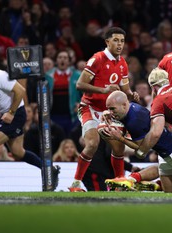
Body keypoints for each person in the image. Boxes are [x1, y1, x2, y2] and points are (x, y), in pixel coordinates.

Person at [0, 53, 60, 192]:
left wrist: (11, 112)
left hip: (16, 114)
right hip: (7, 115)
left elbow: (20, 91)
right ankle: (50, 170)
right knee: (18, 152)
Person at [68, 27, 139, 192]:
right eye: (115, 40)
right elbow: (80, 84)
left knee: (118, 146)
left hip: (109, 112)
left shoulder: (122, 63)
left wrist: (131, 94)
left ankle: (119, 182)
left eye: (122, 41)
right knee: (92, 144)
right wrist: (103, 90)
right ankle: (75, 184)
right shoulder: (97, 59)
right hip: (90, 108)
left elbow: (125, 90)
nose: (119, 44)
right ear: (107, 42)